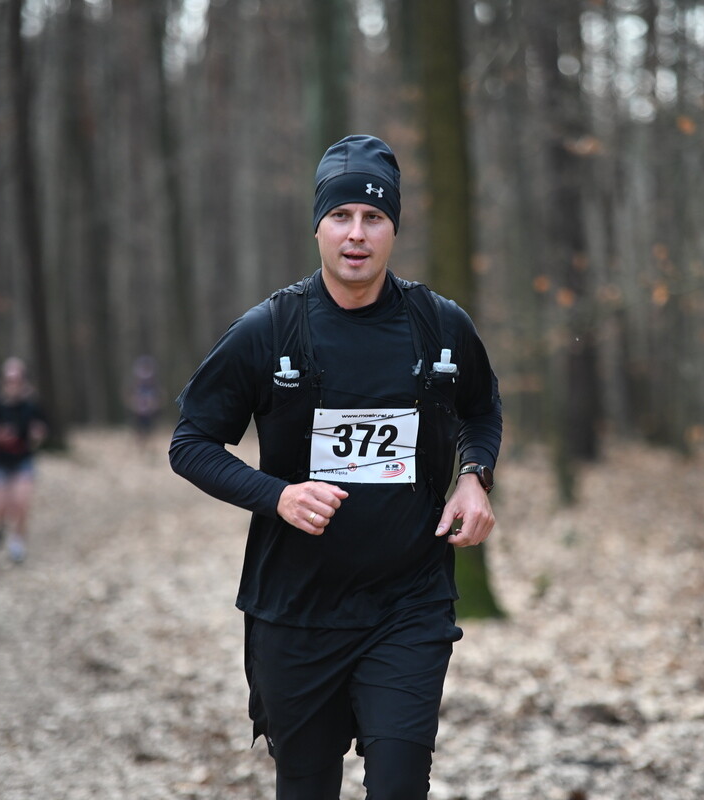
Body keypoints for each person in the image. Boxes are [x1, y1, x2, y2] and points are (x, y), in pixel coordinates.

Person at [168, 134, 501, 799]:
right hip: (296, 610)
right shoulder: (269, 331)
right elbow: (191, 443)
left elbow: (482, 410)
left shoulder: (439, 326)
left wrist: (473, 474)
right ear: (318, 226)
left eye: (373, 217)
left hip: (408, 604)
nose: (357, 233)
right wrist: (277, 496)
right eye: (341, 216)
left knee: (401, 785)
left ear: (393, 228)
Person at [0, 357, 48, 564]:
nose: (13, 383)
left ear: (24, 381)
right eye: (9, 379)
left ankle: (17, 542)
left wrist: (38, 434)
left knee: (21, 504)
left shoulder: (31, 406)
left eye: (17, 379)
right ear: (3, 381)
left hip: (23, 461)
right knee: (1, 507)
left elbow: (42, 427)